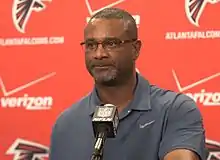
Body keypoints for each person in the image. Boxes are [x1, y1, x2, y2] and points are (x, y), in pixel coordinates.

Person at [49, 7, 207, 160]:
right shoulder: (65, 124)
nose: (99, 54)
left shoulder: (175, 110)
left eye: (111, 44)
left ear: (135, 49)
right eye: (91, 45)